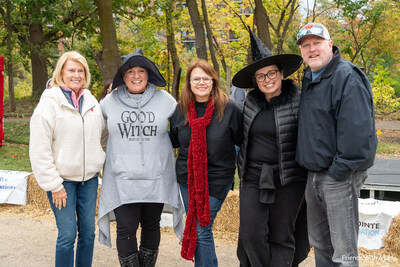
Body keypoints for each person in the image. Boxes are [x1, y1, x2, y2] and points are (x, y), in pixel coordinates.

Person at [295, 22, 377, 266]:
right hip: (314, 175)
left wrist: (338, 172)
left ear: (329, 45)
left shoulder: (347, 76)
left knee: (344, 252)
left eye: (317, 43)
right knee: (321, 245)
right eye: (306, 45)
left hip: (339, 177)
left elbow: (359, 133)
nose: (311, 49)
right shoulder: (310, 77)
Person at [97, 48, 185, 267]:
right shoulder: (109, 102)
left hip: (156, 177)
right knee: (126, 227)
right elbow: (96, 135)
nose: (136, 76)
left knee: (151, 225)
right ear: (123, 77)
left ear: (148, 74)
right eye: (130, 72)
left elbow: (179, 133)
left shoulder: (166, 100)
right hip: (122, 178)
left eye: (141, 71)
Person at [232, 29, 309, 267]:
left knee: (281, 236)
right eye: (260, 76)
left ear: (282, 73)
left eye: (271, 73)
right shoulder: (249, 103)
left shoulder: (299, 101)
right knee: (251, 234)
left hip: (289, 179)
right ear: (255, 81)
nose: (267, 80)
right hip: (254, 177)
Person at [29, 51, 106, 267]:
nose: (76, 75)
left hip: (89, 180)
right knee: (67, 235)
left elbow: (102, 134)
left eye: (81, 70)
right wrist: (54, 185)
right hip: (62, 182)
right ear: (61, 72)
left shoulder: (90, 101)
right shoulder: (48, 104)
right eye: (71, 70)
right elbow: (39, 149)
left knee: (89, 233)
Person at [169, 59, 243, 266]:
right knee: (198, 226)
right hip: (187, 179)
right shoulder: (181, 110)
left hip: (217, 180)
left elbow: (241, 140)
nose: (201, 83)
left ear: (213, 81)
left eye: (205, 78)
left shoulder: (229, 109)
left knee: (201, 227)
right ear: (189, 83)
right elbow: (174, 141)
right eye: (196, 79)